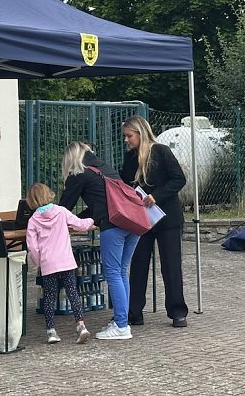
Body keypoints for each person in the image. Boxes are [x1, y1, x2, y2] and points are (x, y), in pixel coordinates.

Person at [59, 141, 139, 340]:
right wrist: (85, 218)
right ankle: (122, 320)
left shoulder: (79, 173)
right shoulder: (105, 169)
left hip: (113, 226)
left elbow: (64, 207)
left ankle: (121, 326)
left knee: (112, 272)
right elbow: (102, 200)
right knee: (121, 271)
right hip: (132, 222)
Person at [120, 115, 189, 328]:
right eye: (125, 137)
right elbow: (125, 183)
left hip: (166, 217)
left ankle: (178, 312)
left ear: (140, 133)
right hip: (142, 219)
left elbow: (179, 178)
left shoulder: (161, 151)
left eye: (129, 136)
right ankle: (134, 312)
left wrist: (156, 196)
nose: (127, 140)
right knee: (138, 264)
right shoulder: (130, 158)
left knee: (170, 265)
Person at [25, 182, 95, 344]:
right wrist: (92, 219)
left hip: (48, 264)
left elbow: (32, 246)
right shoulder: (61, 212)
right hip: (66, 261)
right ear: (49, 194)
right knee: (73, 293)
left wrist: (39, 263)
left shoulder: (33, 220)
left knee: (49, 297)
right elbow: (80, 224)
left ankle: (51, 332)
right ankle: (81, 326)